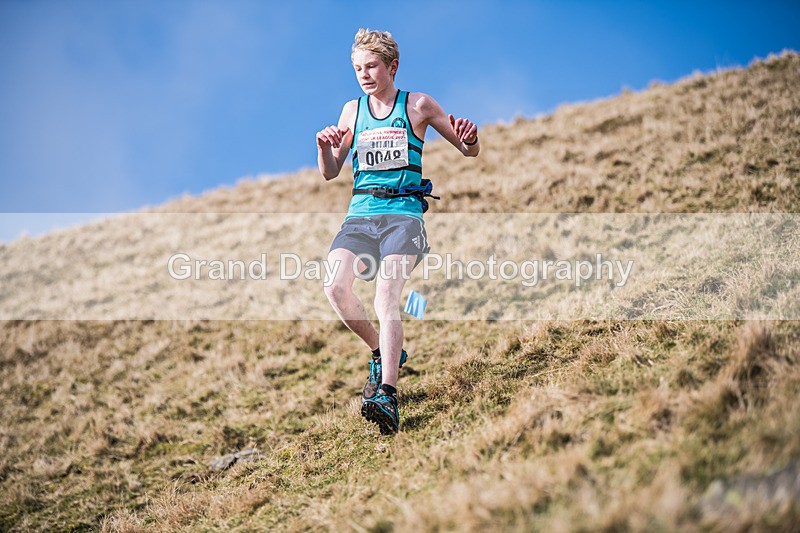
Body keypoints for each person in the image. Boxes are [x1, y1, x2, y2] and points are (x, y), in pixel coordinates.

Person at [316, 28, 479, 434]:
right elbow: (331, 172)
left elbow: (467, 149)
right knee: (335, 288)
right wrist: (324, 146)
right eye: (357, 68)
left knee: (386, 295)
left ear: (393, 66)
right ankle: (380, 351)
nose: (364, 74)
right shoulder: (352, 111)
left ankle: (387, 392)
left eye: (371, 66)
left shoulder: (419, 105)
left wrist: (470, 140)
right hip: (360, 215)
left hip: (403, 216)